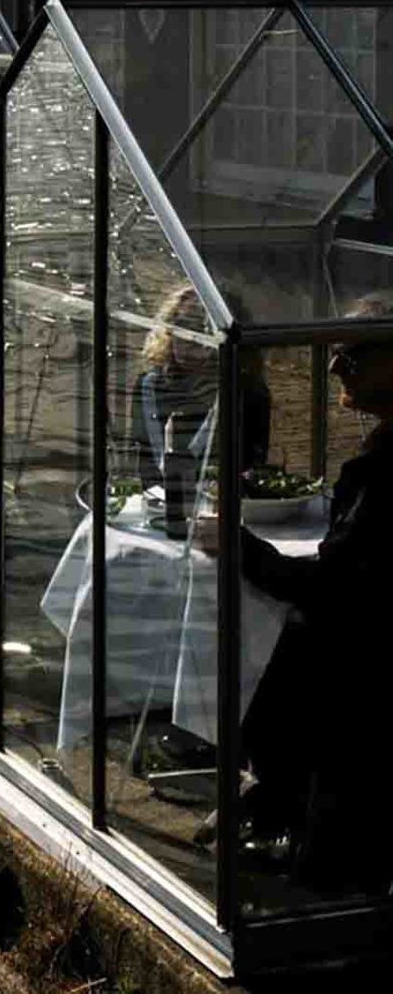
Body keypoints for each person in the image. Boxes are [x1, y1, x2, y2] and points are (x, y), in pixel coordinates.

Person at [237, 296, 393, 891]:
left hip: (364, 693)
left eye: (352, 355)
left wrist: (240, 549)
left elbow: (331, 590)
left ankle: (296, 824)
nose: (334, 369)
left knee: (270, 653)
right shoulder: (377, 460)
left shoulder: (385, 473)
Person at [131, 282, 270, 488]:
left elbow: (250, 467)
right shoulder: (149, 387)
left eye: (203, 330)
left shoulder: (249, 395)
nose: (191, 340)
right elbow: (143, 462)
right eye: (182, 326)